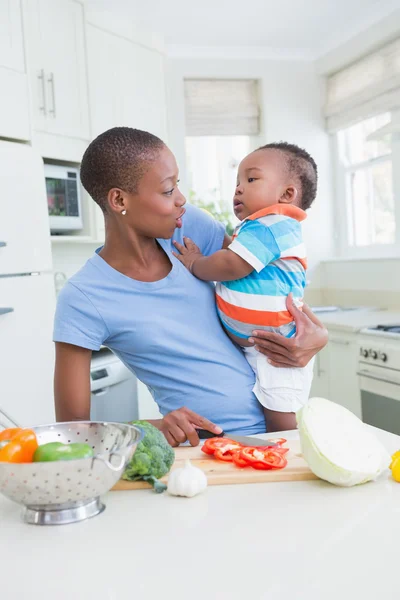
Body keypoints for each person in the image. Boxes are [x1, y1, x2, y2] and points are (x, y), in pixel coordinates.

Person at [53, 127, 328, 446]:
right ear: (119, 200)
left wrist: (318, 335)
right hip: (207, 449)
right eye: (168, 190)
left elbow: (268, 281)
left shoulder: (189, 226)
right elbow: (72, 428)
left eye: (177, 185)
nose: (181, 199)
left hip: (278, 424)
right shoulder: (84, 297)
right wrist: (156, 426)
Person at [173, 143, 317, 432]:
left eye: (251, 180)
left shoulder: (272, 226)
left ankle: (290, 465)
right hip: (262, 348)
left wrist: (195, 263)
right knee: (272, 408)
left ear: (287, 194)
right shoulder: (257, 229)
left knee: (281, 418)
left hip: (278, 350)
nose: (238, 189)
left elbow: (232, 265)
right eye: (237, 182)